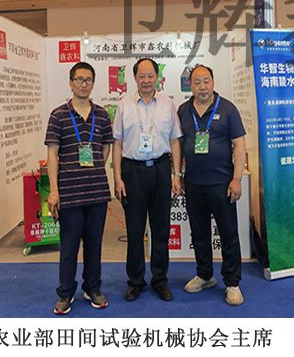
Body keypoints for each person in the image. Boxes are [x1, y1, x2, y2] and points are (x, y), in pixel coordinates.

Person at [45, 62, 114, 315]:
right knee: (69, 246)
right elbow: (52, 155)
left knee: (94, 245)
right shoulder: (58, 115)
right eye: (79, 79)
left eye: (88, 80)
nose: (84, 84)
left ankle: (92, 288)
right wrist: (54, 191)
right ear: (71, 83)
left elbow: (105, 148)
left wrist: (93, 169)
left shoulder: (102, 115)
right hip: (70, 193)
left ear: (93, 83)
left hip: (97, 192)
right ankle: (65, 292)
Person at [112, 57, 183, 302]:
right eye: (141, 76)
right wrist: (117, 178)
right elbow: (117, 143)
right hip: (132, 172)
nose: (146, 80)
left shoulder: (168, 104)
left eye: (150, 76)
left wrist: (176, 175)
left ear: (157, 77)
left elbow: (175, 141)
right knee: (134, 230)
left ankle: (160, 280)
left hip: (161, 169)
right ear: (134, 78)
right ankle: (135, 281)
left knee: (161, 229)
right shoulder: (123, 105)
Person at [177, 65, 247, 306]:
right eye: (197, 82)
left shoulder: (228, 109)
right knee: (199, 234)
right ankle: (205, 275)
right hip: (193, 184)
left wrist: (236, 178)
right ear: (190, 85)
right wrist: (178, 175)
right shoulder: (183, 110)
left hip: (222, 183)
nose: (202, 87)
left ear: (213, 82)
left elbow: (239, 145)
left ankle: (232, 283)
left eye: (206, 81)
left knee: (228, 234)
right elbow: (178, 145)